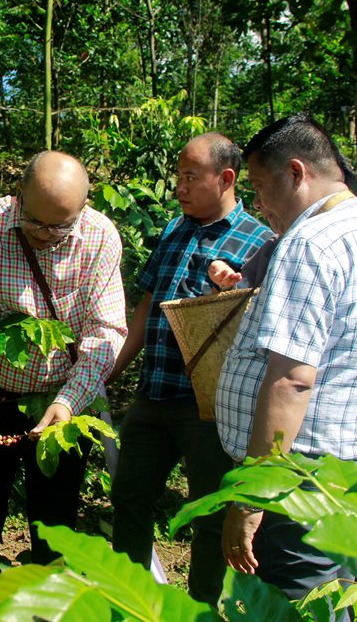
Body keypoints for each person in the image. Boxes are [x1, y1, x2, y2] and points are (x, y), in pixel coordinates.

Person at [216, 115, 357, 601]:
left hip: (302, 481)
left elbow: (291, 381)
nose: (259, 204)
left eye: (262, 187)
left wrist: (251, 498)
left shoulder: (309, 243)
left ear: (296, 173)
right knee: (338, 600)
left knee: (302, 607)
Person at [0, 150, 127, 585]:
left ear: (83, 210)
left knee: (55, 526)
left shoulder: (101, 236)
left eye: (61, 226)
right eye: (35, 222)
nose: (46, 235)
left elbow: (106, 330)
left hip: (63, 397)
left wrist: (71, 401)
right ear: (18, 194)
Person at [108, 132, 272, 603]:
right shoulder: (174, 229)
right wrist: (116, 365)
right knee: (129, 500)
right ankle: (133, 599)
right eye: (178, 175)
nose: (179, 186)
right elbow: (148, 304)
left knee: (209, 516)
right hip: (152, 396)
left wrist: (232, 289)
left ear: (226, 179)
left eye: (189, 176)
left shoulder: (260, 240)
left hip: (210, 408)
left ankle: (203, 607)